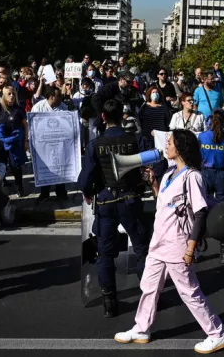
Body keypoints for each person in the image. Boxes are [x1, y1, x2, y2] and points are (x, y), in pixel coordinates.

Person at [114, 129, 224, 354]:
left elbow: (200, 213)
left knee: (189, 292)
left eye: (171, 142)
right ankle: (141, 328)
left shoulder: (193, 176)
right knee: (148, 286)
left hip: (178, 244)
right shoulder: (168, 174)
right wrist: (155, 184)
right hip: (158, 243)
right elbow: (165, 204)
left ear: (181, 148)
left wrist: (190, 248)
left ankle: (217, 333)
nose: (166, 145)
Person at [77, 99, 153, 318]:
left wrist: (89, 190)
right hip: (130, 199)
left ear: (102, 117)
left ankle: (109, 302)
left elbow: (84, 181)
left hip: (106, 202)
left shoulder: (95, 144)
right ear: (123, 116)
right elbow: (156, 160)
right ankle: (148, 296)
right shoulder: (135, 139)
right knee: (142, 249)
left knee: (105, 254)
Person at [199, 109, 224, 264]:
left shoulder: (202, 137)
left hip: (206, 174)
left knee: (200, 210)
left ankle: (197, 246)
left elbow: (199, 155)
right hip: (222, 175)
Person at [32, 86, 70, 204]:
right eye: (59, 95)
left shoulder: (63, 107)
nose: (61, 98)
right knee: (46, 169)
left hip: (59, 144)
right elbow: (33, 125)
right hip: (44, 145)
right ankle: (45, 193)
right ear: (52, 97)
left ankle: (61, 192)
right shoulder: (38, 107)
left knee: (60, 168)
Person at [0, 86, 28, 197]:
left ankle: (19, 188)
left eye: (13, 94)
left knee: (16, 166)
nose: (11, 96)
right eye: (9, 94)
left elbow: (25, 125)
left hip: (15, 141)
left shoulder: (19, 109)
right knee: (1, 164)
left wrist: (26, 140)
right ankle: (1, 187)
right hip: (1, 142)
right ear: (4, 96)